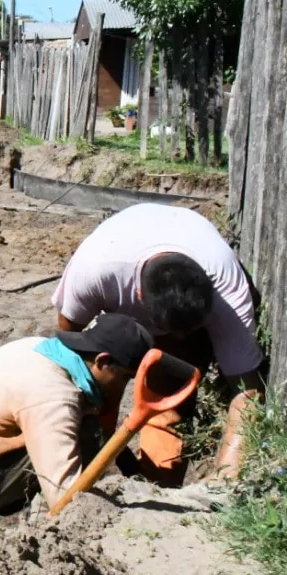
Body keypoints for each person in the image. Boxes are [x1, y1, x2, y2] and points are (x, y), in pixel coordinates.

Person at [51, 202, 264, 485]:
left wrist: (227, 478)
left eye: (188, 330)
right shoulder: (96, 270)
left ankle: (159, 489)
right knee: (92, 398)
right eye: (172, 330)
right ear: (139, 297)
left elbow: (247, 390)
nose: (180, 338)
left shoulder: (226, 290)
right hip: (118, 311)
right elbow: (67, 338)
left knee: (167, 410)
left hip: (182, 285)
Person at [0, 313, 152, 518]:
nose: (125, 387)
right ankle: (40, 525)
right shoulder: (53, 396)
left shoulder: (41, 348)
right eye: (125, 377)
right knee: (90, 435)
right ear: (103, 361)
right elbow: (65, 498)